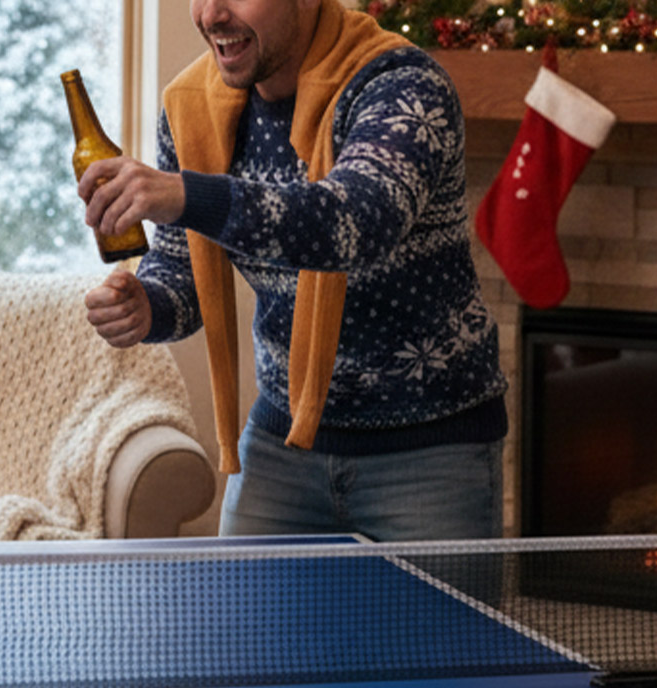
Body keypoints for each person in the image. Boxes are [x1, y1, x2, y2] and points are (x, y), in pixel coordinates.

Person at [76, 0, 508, 541]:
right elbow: (182, 266)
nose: (211, 14)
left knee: (441, 631)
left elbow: (355, 223)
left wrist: (188, 194)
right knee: (244, 628)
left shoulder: (403, 86)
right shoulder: (190, 107)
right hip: (280, 448)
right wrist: (149, 305)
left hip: (431, 454)